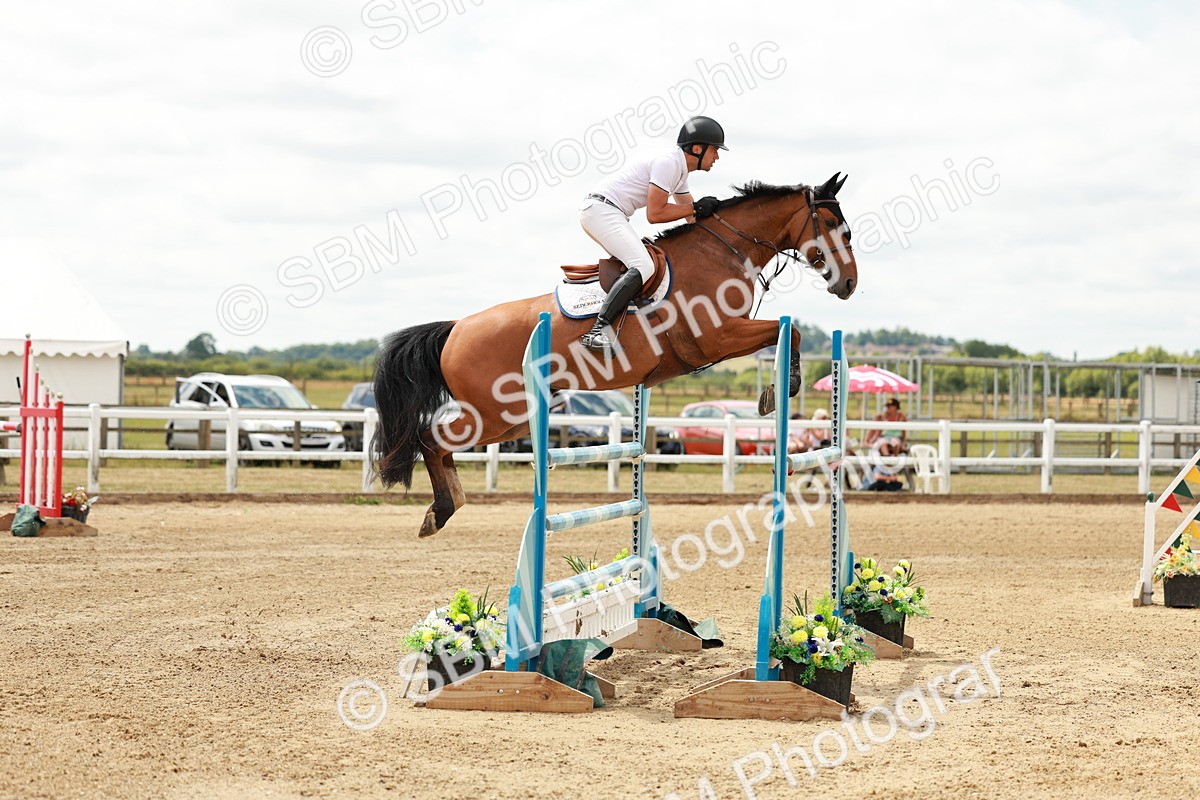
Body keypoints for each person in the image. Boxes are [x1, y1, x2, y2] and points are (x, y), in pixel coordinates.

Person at [578, 116, 727, 355]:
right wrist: (696, 207)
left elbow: (692, 218)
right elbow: (655, 214)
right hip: (601, 211)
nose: (717, 156)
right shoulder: (668, 163)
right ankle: (597, 330)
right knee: (644, 265)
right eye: (715, 150)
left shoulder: (680, 172)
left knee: (646, 265)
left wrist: (721, 230)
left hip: (607, 212)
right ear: (697, 149)